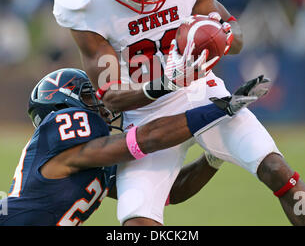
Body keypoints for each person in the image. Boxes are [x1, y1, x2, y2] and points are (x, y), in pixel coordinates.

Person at [53, 0, 305, 226]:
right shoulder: (88, 1)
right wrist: (166, 83)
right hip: (146, 114)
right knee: (137, 222)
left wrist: (221, 36)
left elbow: (235, 37)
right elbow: (113, 97)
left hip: (203, 92)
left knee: (277, 170)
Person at [0, 68, 265, 226]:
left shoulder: (93, 163)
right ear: (63, 106)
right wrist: (219, 109)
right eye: (87, 95)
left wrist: (214, 156)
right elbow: (145, 139)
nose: (101, 103)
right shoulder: (63, 129)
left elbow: (171, 191)